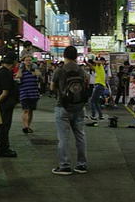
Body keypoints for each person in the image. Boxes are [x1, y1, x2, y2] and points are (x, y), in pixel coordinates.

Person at [51, 45, 90, 175]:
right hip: (79, 107)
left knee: (63, 138)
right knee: (80, 136)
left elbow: (52, 87)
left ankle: (65, 166)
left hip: (63, 106)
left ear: (64, 56)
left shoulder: (59, 70)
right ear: (76, 56)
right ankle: (81, 165)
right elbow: (86, 84)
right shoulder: (81, 70)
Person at [0, 52, 18, 158]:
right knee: (4, 126)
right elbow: (5, 91)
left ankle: (4, 147)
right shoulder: (5, 73)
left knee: (4, 126)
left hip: (5, 104)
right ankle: (4, 149)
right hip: (5, 104)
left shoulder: (2, 71)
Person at [15, 55, 41, 133]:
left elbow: (39, 75)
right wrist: (21, 68)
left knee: (31, 110)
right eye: (26, 60)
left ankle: (28, 126)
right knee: (26, 110)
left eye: (30, 60)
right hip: (24, 92)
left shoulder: (34, 70)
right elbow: (18, 76)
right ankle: (25, 126)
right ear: (24, 61)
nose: (28, 61)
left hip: (33, 93)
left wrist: (35, 67)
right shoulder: (22, 70)